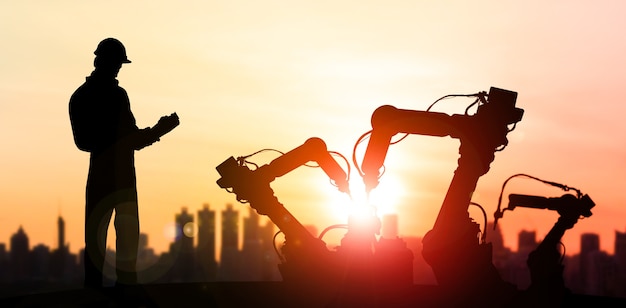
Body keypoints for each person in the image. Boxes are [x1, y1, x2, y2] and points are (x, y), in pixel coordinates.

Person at [69, 38, 179, 288]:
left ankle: (125, 288)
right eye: (116, 63)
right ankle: (96, 292)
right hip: (105, 177)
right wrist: (125, 137)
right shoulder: (84, 97)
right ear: (101, 62)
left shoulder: (115, 95)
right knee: (98, 238)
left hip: (120, 177)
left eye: (120, 64)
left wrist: (158, 130)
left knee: (126, 237)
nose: (118, 69)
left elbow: (132, 139)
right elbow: (84, 141)